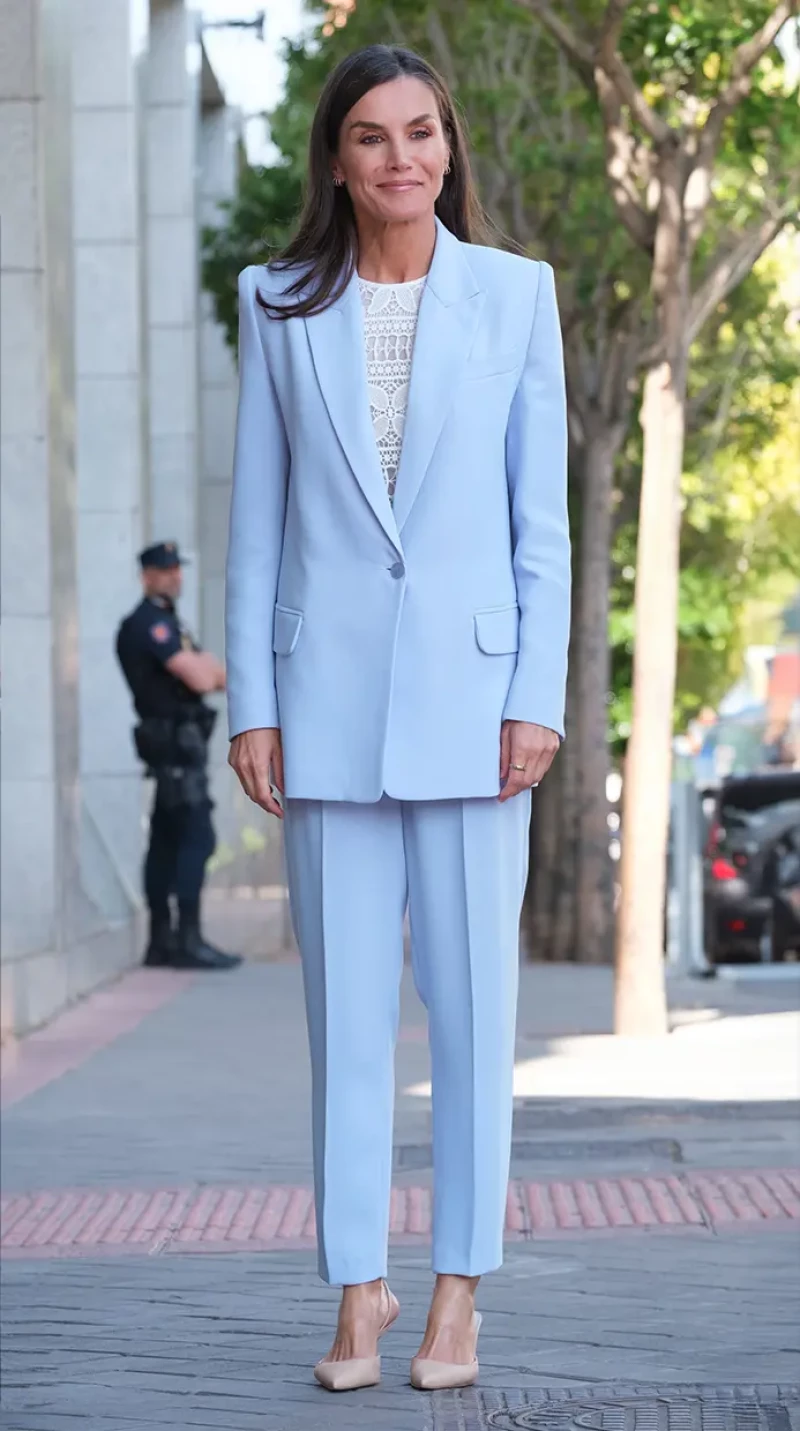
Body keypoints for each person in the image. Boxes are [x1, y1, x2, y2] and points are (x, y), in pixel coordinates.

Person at [225, 45, 569, 1392]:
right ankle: (358, 1291)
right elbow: (256, 525)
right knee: (347, 1021)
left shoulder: (516, 296)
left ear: (450, 148)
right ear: (336, 160)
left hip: (482, 713)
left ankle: (458, 1296)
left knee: (476, 1017)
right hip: (322, 710)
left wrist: (534, 694)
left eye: (421, 132)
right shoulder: (276, 301)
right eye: (371, 137)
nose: (400, 157)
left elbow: (540, 527)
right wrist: (254, 701)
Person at [116, 541, 241, 972]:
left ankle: (162, 942)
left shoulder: (168, 621)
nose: (175, 576)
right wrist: (214, 672)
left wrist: (209, 669)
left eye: (177, 570)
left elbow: (205, 668)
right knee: (195, 838)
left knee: (168, 842)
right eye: (165, 570)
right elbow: (201, 675)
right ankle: (185, 940)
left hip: (180, 747)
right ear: (147, 574)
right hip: (172, 747)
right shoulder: (149, 624)